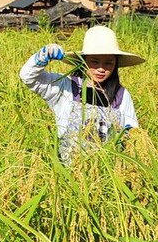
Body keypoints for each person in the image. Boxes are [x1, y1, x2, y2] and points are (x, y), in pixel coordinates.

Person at [20, 25, 144, 165]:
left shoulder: (121, 95)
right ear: (83, 60)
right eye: (95, 62)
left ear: (116, 64)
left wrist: (129, 134)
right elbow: (28, 77)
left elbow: (133, 131)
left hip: (107, 171)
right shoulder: (66, 86)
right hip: (69, 172)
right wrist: (42, 57)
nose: (101, 69)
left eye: (108, 63)